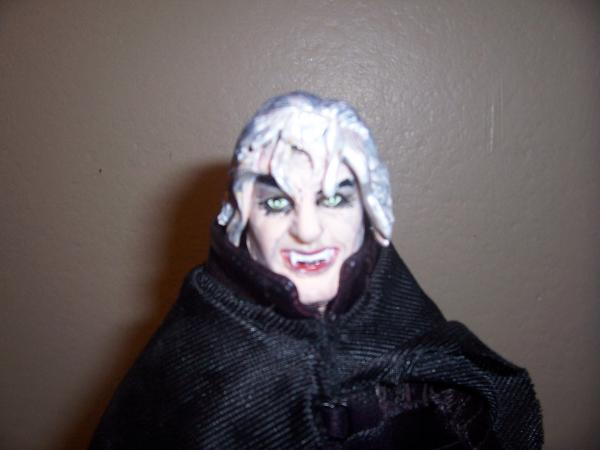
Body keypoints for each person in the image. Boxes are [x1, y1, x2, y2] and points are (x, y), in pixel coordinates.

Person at [89, 92, 543, 449]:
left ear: (369, 206)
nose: (307, 231)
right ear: (243, 214)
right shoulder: (195, 353)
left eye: (333, 199)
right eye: (277, 203)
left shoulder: (403, 310)